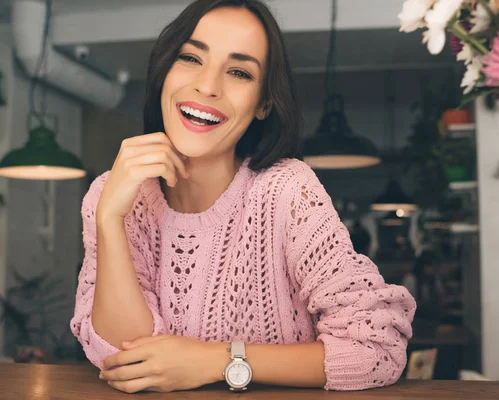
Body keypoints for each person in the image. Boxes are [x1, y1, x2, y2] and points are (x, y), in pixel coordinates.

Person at [70, 0, 416, 393]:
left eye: (238, 71)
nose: (208, 86)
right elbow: (125, 360)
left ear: (264, 104)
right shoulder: (113, 194)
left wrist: (216, 360)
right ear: (164, 72)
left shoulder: (287, 191)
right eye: (190, 58)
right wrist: (109, 219)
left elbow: (378, 351)